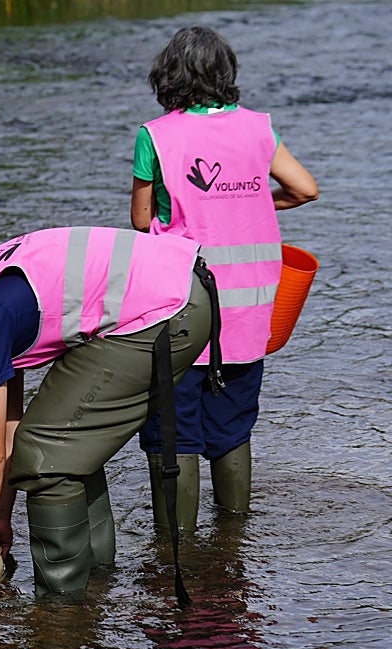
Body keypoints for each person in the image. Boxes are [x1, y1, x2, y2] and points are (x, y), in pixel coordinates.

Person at [0, 226, 219, 595]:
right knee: (65, 442)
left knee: (45, 451)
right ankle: (96, 581)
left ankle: (62, 611)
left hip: (168, 310)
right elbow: (6, 431)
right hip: (182, 285)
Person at [131, 25, 318, 531]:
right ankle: (233, 539)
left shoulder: (156, 135)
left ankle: (180, 547)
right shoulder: (259, 128)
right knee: (233, 426)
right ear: (224, 74)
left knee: (175, 430)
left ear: (169, 75)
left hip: (179, 306)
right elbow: (305, 189)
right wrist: (254, 201)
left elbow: (141, 218)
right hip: (249, 312)